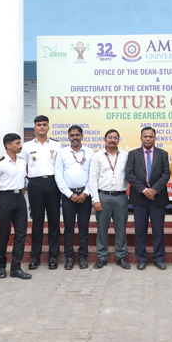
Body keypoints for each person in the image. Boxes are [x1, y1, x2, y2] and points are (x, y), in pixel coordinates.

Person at [125, 126, 171, 270]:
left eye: (151, 136)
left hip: (158, 197)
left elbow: (166, 174)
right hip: (140, 197)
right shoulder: (133, 154)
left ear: (155, 138)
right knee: (140, 230)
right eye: (145, 136)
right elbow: (129, 174)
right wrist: (145, 190)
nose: (148, 139)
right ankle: (141, 259)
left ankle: (159, 258)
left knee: (158, 231)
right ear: (141, 138)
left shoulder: (162, 154)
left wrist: (154, 190)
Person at [0, 133, 31, 279]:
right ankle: (1, 266)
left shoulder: (22, 162)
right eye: (17, 143)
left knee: (21, 234)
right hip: (5, 198)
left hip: (20, 199)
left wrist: (21, 197)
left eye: (20, 143)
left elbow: (23, 182)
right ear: (8, 145)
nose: (20, 146)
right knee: (3, 233)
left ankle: (16, 267)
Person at [21, 115, 62, 270]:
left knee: (54, 220)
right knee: (37, 220)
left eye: (44, 124)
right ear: (35, 127)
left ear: (48, 127)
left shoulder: (57, 145)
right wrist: (30, 179)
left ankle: (53, 256)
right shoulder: (27, 146)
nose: (42, 127)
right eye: (39, 125)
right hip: (35, 184)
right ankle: (35, 257)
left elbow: (60, 166)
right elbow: (23, 166)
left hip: (53, 183)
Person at [88, 129, 130, 270]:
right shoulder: (97, 156)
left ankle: (121, 257)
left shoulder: (125, 156)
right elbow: (93, 178)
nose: (112, 140)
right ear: (105, 139)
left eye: (115, 138)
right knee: (102, 229)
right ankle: (102, 257)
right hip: (103, 197)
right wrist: (95, 199)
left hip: (121, 197)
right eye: (110, 137)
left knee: (121, 229)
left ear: (119, 140)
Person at [55, 125, 94, 270]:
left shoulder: (90, 152)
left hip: (85, 195)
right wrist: (69, 194)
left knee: (84, 227)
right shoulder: (62, 153)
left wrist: (86, 192)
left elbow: (93, 175)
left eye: (77, 135)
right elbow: (59, 176)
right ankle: (69, 258)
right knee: (69, 228)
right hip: (68, 196)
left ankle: (83, 257)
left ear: (82, 136)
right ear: (68, 137)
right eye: (72, 135)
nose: (74, 138)